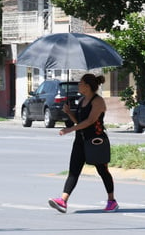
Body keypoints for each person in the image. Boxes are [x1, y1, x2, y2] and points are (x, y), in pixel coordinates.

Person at [48, 74, 119, 213]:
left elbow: (90, 121)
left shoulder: (98, 101)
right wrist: (69, 113)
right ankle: (63, 201)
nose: (78, 85)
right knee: (74, 171)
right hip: (80, 140)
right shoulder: (82, 100)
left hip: (95, 140)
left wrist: (69, 129)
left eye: (80, 83)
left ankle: (112, 201)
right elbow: (79, 122)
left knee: (102, 170)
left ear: (87, 86)